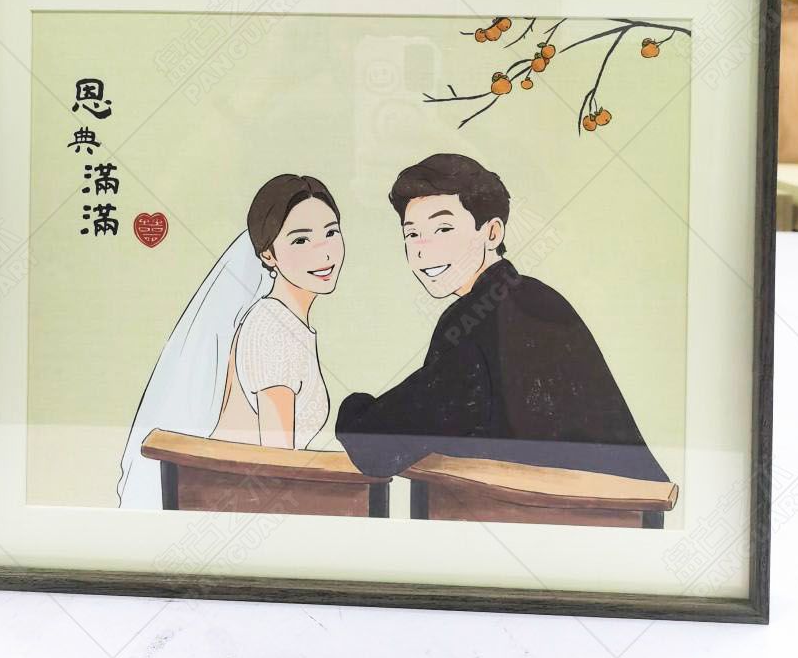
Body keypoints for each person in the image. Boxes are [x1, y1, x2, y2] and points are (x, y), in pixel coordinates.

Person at [336, 153, 668, 484]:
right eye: (412, 234)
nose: (423, 249)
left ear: (492, 233)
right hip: (616, 502)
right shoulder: (534, 296)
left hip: (578, 507)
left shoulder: (479, 316)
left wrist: (354, 410)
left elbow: (376, 447)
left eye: (443, 228)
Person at [117, 173, 343, 508]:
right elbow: (278, 463)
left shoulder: (287, 323)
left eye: (331, 233)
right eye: (300, 240)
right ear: (268, 254)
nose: (323, 252)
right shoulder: (272, 327)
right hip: (238, 504)